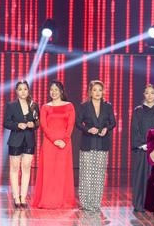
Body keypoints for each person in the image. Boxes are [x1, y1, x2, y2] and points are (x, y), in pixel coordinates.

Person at [32, 80, 77, 209]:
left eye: (56, 90)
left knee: (62, 172)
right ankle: (48, 200)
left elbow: (70, 125)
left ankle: (62, 200)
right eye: (51, 90)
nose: (53, 92)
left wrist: (64, 140)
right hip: (49, 143)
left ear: (61, 91)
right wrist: (54, 140)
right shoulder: (45, 107)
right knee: (49, 172)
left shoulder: (69, 106)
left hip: (64, 144)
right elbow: (44, 125)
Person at [76, 80, 116, 211]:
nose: (97, 92)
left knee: (99, 175)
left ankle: (96, 203)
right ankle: (85, 203)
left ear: (103, 91)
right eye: (94, 90)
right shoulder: (84, 106)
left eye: (100, 90)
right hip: (87, 143)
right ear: (90, 92)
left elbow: (113, 122)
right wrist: (88, 129)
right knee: (86, 175)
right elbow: (78, 123)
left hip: (102, 144)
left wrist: (106, 129)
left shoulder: (108, 106)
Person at [3, 80, 39, 209]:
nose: (23, 92)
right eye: (20, 89)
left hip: (29, 140)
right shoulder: (11, 105)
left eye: (25, 89)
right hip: (15, 140)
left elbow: (38, 122)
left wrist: (33, 124)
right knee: (14, 168)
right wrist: (17, 125)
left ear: (28, 91)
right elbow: (6, 123)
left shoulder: (33, 105)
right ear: (16, 91)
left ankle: (23, 197)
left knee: (26, 168)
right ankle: (16, 197)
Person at [130, 84, 154, 212]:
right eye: (147, 93)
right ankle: (139, 204)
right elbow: (135, 129)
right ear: (144, 94)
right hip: (141, 149)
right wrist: (142, 145)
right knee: (140, 177)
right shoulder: (138, 110)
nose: (149, 95)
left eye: (152, 93)